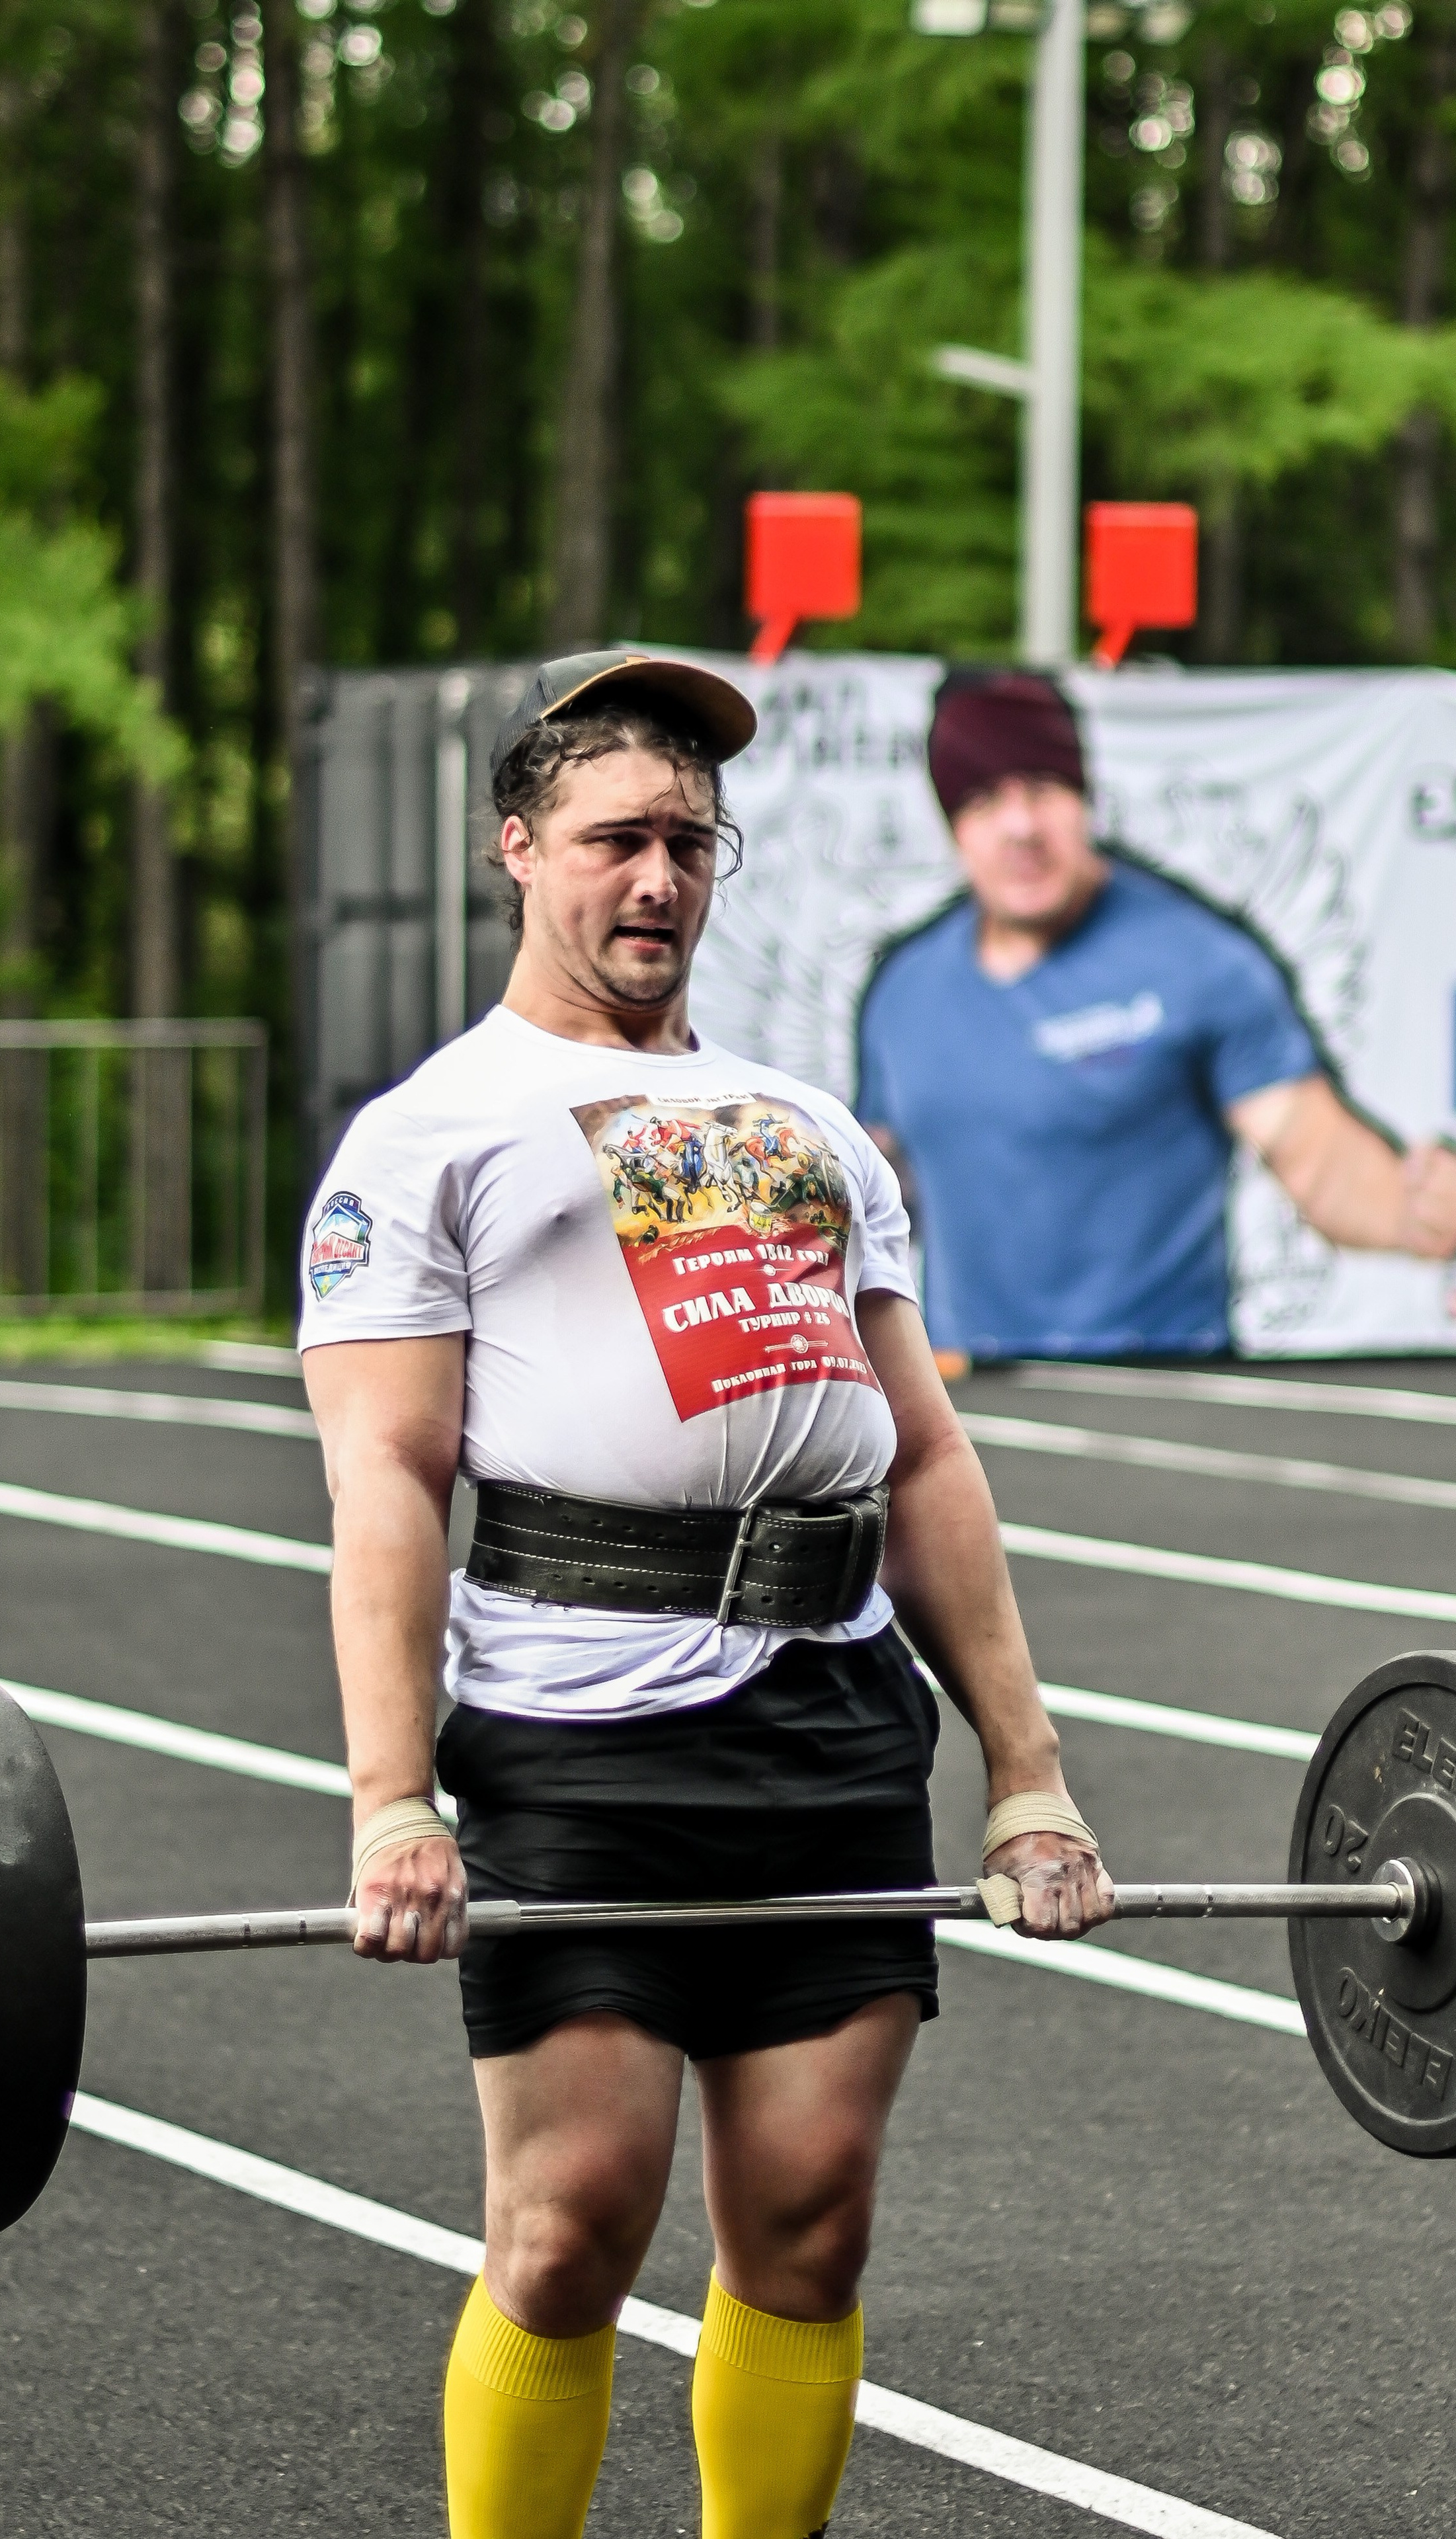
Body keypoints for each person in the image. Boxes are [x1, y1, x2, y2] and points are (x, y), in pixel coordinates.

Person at [298, 649, 1114, 2539]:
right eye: (615, 838)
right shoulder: (430, 1135)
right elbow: (388, 1480)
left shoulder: (806, 1124)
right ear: (519, 848)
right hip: (576, 1729)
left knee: (812, 2221)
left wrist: (1028, 1771)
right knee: (569, 2223)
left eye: (689, 840)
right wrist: (392, 1798)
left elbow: (924, 1459)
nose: (658, 876)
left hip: (830, 1714)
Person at [856, 668, 1456, 1363]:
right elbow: (882, 1195)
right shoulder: (903, 990)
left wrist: (1412, 1209)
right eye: (983, 802)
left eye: (1041, 789)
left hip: (1160, 1397)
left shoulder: (1198, 959)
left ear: (1084, 797)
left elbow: (1312, 1154)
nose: (1020, 827)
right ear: (953, 827)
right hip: (966, 1403)